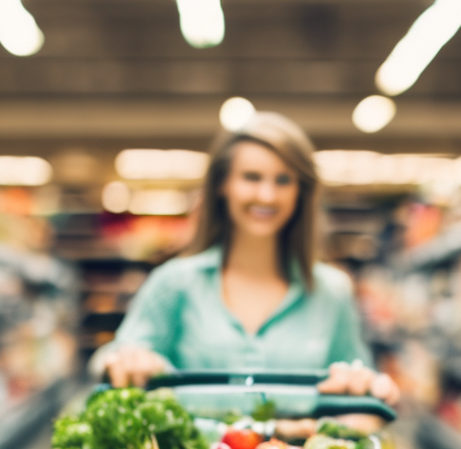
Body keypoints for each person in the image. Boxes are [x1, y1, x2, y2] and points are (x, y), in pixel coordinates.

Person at [94, 111, 400, 406]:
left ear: (300, 192)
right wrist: (127, 360)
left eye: (283, 180)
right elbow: (111, 360)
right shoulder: (175, 283)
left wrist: (369, 386)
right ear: (222, 186)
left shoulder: (332, 291)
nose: (266, 195)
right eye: (251, 178)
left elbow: (359, 379)